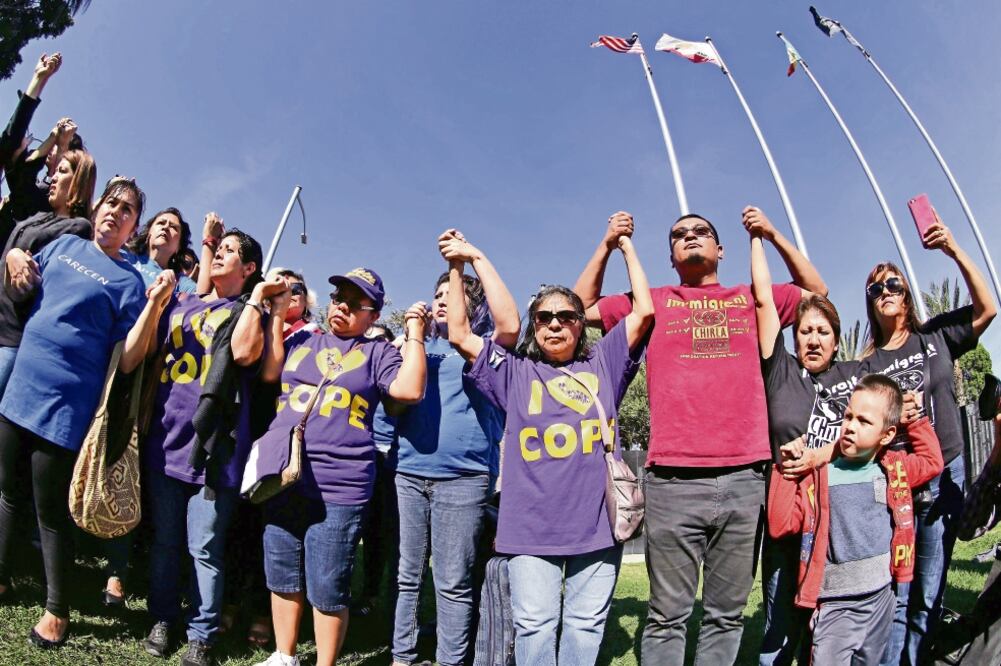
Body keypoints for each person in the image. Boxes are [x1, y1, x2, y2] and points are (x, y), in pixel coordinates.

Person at [573, 207, 826, 664]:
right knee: (667, 614)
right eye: (679, 235)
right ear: (671, 257)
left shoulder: (752, 296)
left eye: (701, 232)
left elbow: (816, 292)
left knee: (726, 615)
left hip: (746, 478)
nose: (690, 237)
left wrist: (770, 234)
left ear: (720, 249)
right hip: (673, 479)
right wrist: (608, 244)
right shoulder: (650, 301)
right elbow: (579, 310)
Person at [445, 226, 653, 665]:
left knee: (585, 624)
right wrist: (463, 262)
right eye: (544, 318)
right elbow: (461, 334)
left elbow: (644, 311)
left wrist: (623, 246)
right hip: (530, 529)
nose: (555, 324)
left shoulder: (605, 363)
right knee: (535, 626)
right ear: (535, 326)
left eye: (566, 317)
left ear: (582, 325)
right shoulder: (515, 372)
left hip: (598, 526)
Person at [0, 178, 168, 648]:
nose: (116, 212)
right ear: (97, 207)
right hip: (20, 387)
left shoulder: (129, 283)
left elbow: (132, 357)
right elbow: (22, 290)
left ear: (135, 226)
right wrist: (13, 259)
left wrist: (153, 308)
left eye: (127, 209)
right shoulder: (64, 245)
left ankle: (57, 610)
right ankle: (1, 576)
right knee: (9, 493)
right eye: (111, 202)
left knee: (50, 509)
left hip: (66, 404)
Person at [251, 267, 427, 666]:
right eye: (337, 299)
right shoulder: (304, 343)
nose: (342, 308)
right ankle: (284, 655)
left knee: (328, 582)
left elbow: (409, 390)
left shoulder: (377, 353)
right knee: (282, 571)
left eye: (355, 303)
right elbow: (269, 372)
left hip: (341, 484)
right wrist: (277, 313)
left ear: (374, 315)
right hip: (284, 474)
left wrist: (415, 332)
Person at [860, 212, 996, 665]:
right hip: (897, 478)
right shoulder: (867, 363)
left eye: (893, 284)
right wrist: (898, 422)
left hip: (946, 473)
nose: (885, 293)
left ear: (906, 295)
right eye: (875, 288)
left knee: (931, 587)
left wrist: (953, 249)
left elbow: (987, 309)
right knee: (899, 588)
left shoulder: (934, 337)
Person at [141, 226, 281, 666]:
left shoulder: (246, 311)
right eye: (217, 250)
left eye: (230, 252)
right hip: (166, 436)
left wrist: (259, 298)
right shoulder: (184, 300)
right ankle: (164, 617)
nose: (219, 255)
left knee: (203, 545)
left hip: (212, 448)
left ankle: (202, 633)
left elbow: (242, 355)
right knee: (165, 541)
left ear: (250, 268)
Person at [391, 248, 519, 666]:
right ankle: (402, 657)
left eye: (456, 292)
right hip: (409, 473)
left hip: (464, 479)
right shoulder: (416, 349)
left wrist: (469, 260)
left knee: (452, 581)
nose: (444, 298)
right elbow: (391, 405)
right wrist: (411, 337)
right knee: (408, 577)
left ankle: (450, 660)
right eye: (439, 293)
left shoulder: (482, 352)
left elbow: (510, 324)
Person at [768, 374, 943, 665]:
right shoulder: (819, 475)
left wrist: (914, 420)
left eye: (864, 421)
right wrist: (787, 468)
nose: (850, 426)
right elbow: (780, 523)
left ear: (886, 435)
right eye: (848, 416)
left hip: (881, 599)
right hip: (834, 606)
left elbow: (932, 462)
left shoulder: (894, 471)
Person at [749, 229, 863, 664]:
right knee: (780, 621)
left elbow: (870, 435)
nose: (813, 339)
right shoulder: (779, 369)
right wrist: (757, 239)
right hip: (788, 517)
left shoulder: (856, 375)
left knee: (830, 621)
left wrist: (822, 453)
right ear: (793, 338)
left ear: (837, 338)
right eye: (805, 331)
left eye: (823, 332)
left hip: (841, 516)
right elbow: (763, 301)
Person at [0, 148, 97, 392]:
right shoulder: (39, 214)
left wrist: (17, 257)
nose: (53, 177)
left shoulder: (78, 228)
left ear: (79, 181)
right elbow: (21, 180)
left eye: (62, 172)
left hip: (9, 339)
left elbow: (38, 279)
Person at [1, 52, 61, 205]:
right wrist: (40, 78)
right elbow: (11, 137)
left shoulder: (40, 194)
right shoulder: (17, 169)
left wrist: (54, 138)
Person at [123, 207, 198, 293]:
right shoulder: (124, 256)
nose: (166, 227)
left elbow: (205, 300)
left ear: (179, 246)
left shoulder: (179, 282)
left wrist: (209, 242)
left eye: (173, 227)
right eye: (161, 223)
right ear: (148, 233)